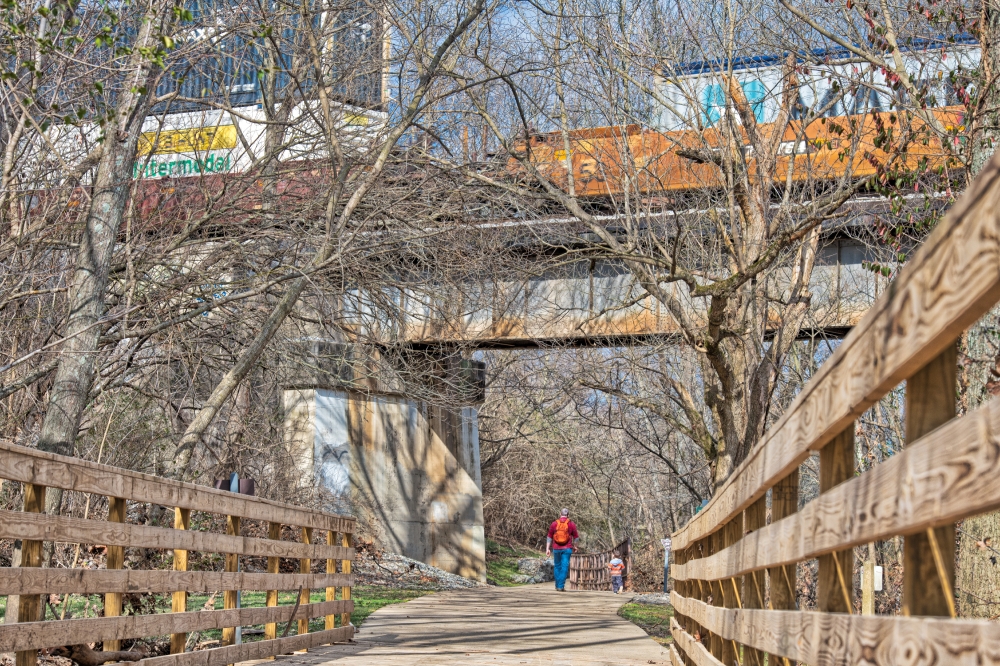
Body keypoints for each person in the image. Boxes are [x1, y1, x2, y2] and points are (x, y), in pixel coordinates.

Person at [546, 508, 579, 591]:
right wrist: (575, 546)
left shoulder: (554, 524)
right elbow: (576, 537)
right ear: (568, 515)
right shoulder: (571, 524)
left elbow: (549, 536)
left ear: (560, 514)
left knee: (557, 566)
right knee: (564, 567)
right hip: (567, 548)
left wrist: (547, 549)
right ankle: (560, 586)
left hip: (556, 548)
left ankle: (557, 585)